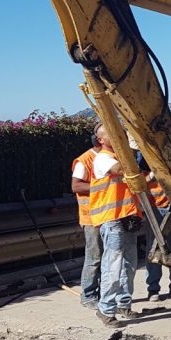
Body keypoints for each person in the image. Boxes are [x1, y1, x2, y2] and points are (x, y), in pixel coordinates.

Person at [89, 123, 143, 326]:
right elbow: (121, 169)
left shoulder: (120, 157)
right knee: (113, 265)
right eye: (113, 134)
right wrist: (133, 148)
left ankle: (124, 303)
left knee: (129, 264)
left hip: (127, 218)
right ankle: (106, 309)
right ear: (101, 140)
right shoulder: (103, 158)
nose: (117, 136)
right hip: (112, 219)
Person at [141, 154, 171, 301]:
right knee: (154, 249)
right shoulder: (145, 173)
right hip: (155, 211)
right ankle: (153, 288)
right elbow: (141, 187)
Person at [70, 132, 103, 309]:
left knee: (105, 256)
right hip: (91, 217)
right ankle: (89, 294)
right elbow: (76, 185)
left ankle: (101, 294)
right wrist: (101, 188)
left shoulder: (108, 158)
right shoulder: (85, 160)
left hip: (105, 214)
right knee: (94, 256)